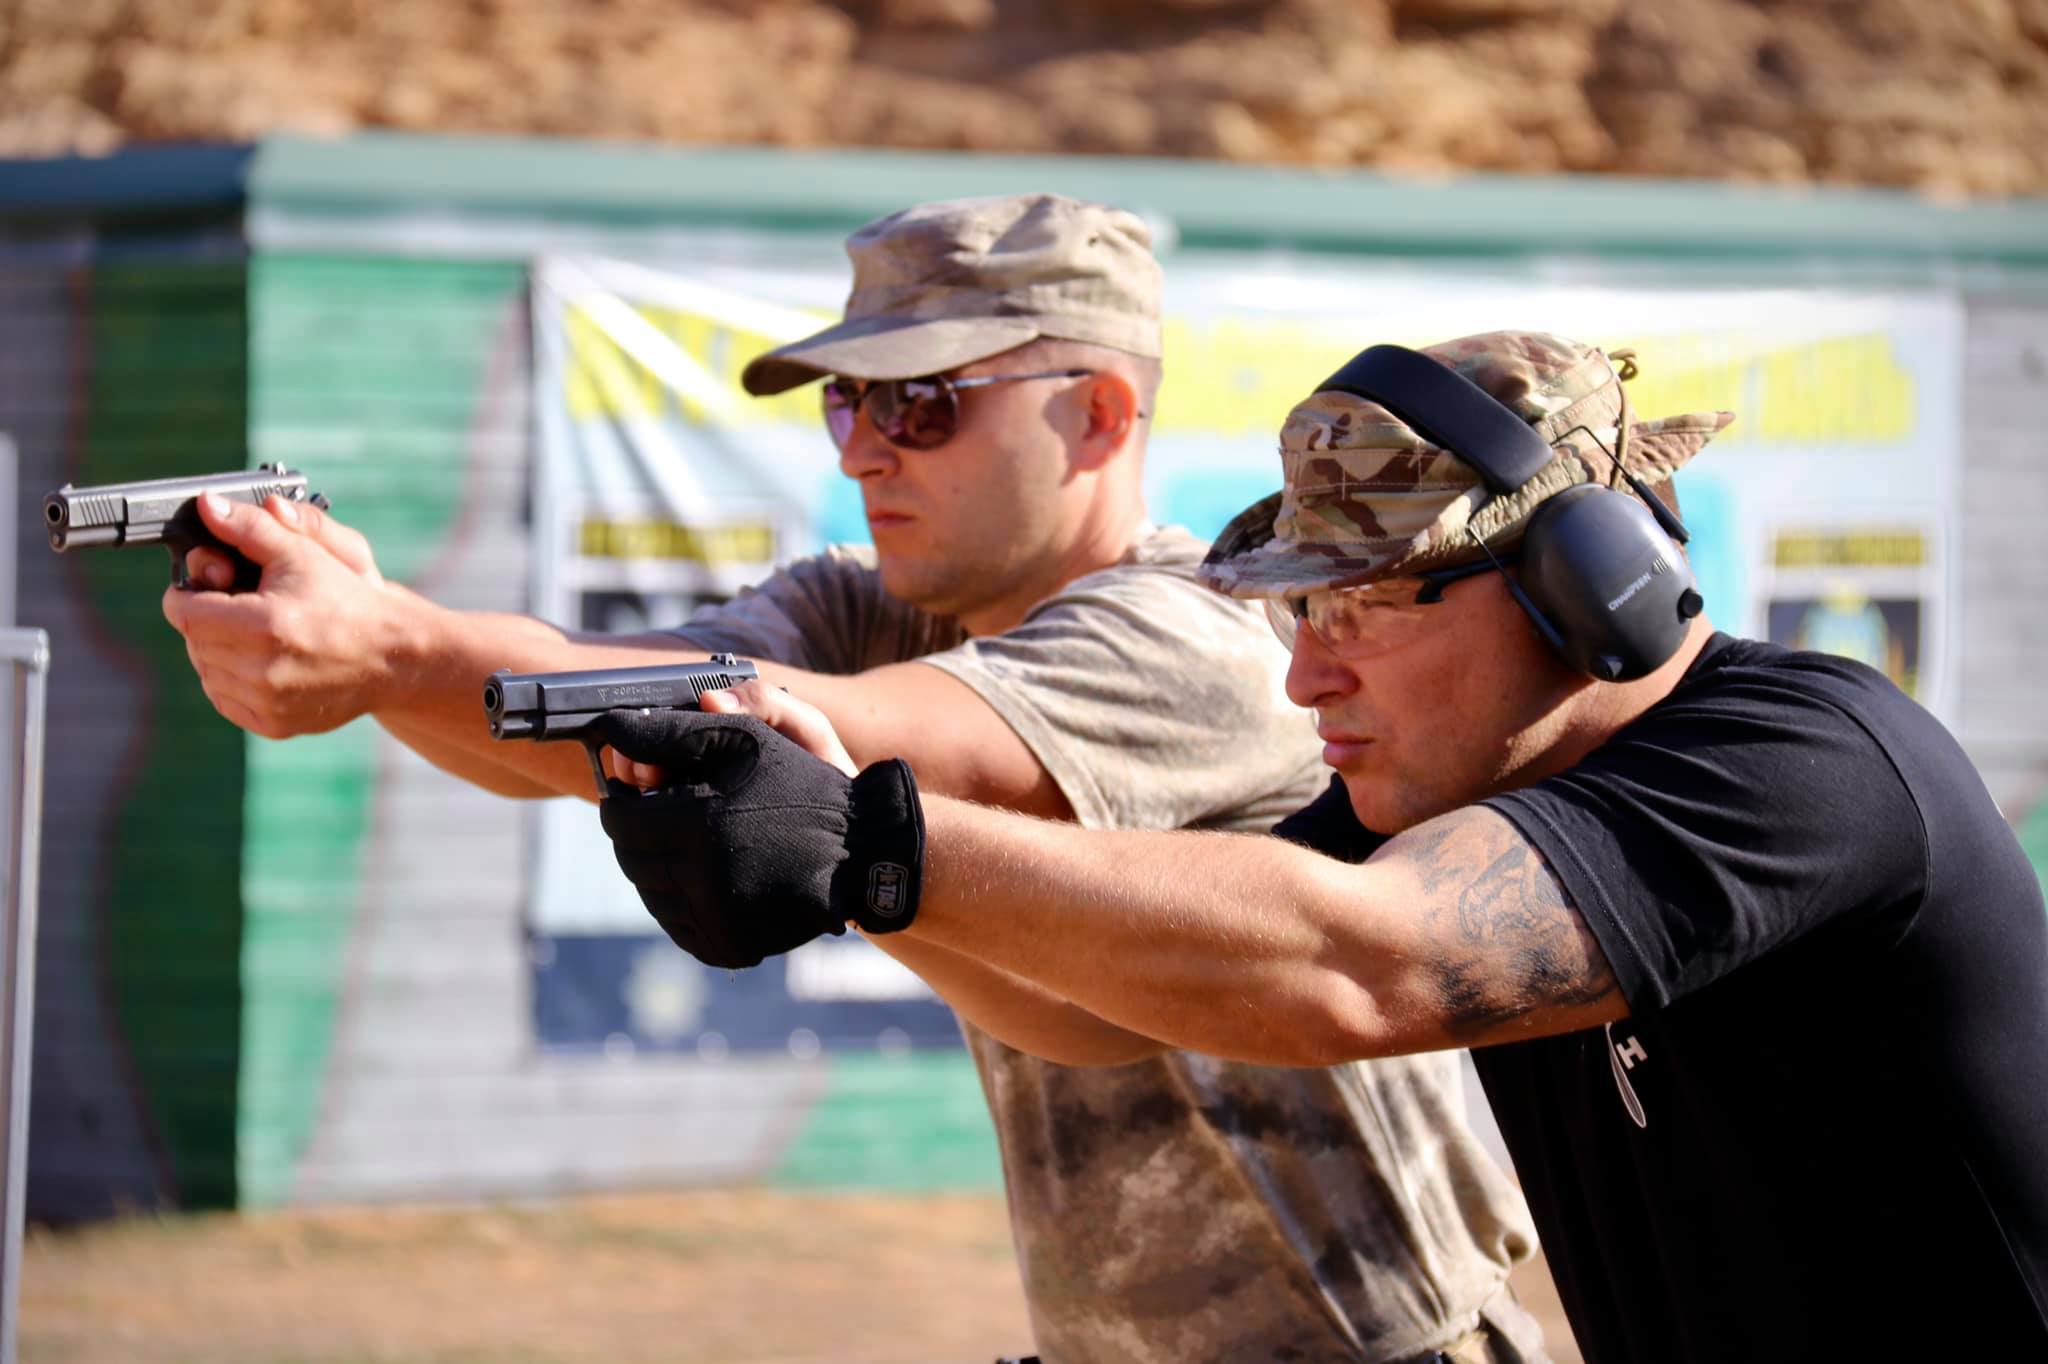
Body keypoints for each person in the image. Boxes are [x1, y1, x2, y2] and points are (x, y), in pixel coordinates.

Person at [162, 195, 1550, 1364]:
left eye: (924, 402)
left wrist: (390, 643)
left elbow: (792, 738)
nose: (866, 446)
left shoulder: (1199, 630)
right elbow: (609, 712)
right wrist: (373, 646)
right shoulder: (879, 600)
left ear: (1100, 414)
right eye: (850, 400)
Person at [590, 328, 2048, 1362]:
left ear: (1589, 586)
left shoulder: (1807, 761)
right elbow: (1112, 1020)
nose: (1307, 677)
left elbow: (1354, 967)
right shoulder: (1443, 800)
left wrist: (875, 841)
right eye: (1303, 615)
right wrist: (862, 875)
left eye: (1365, 608)